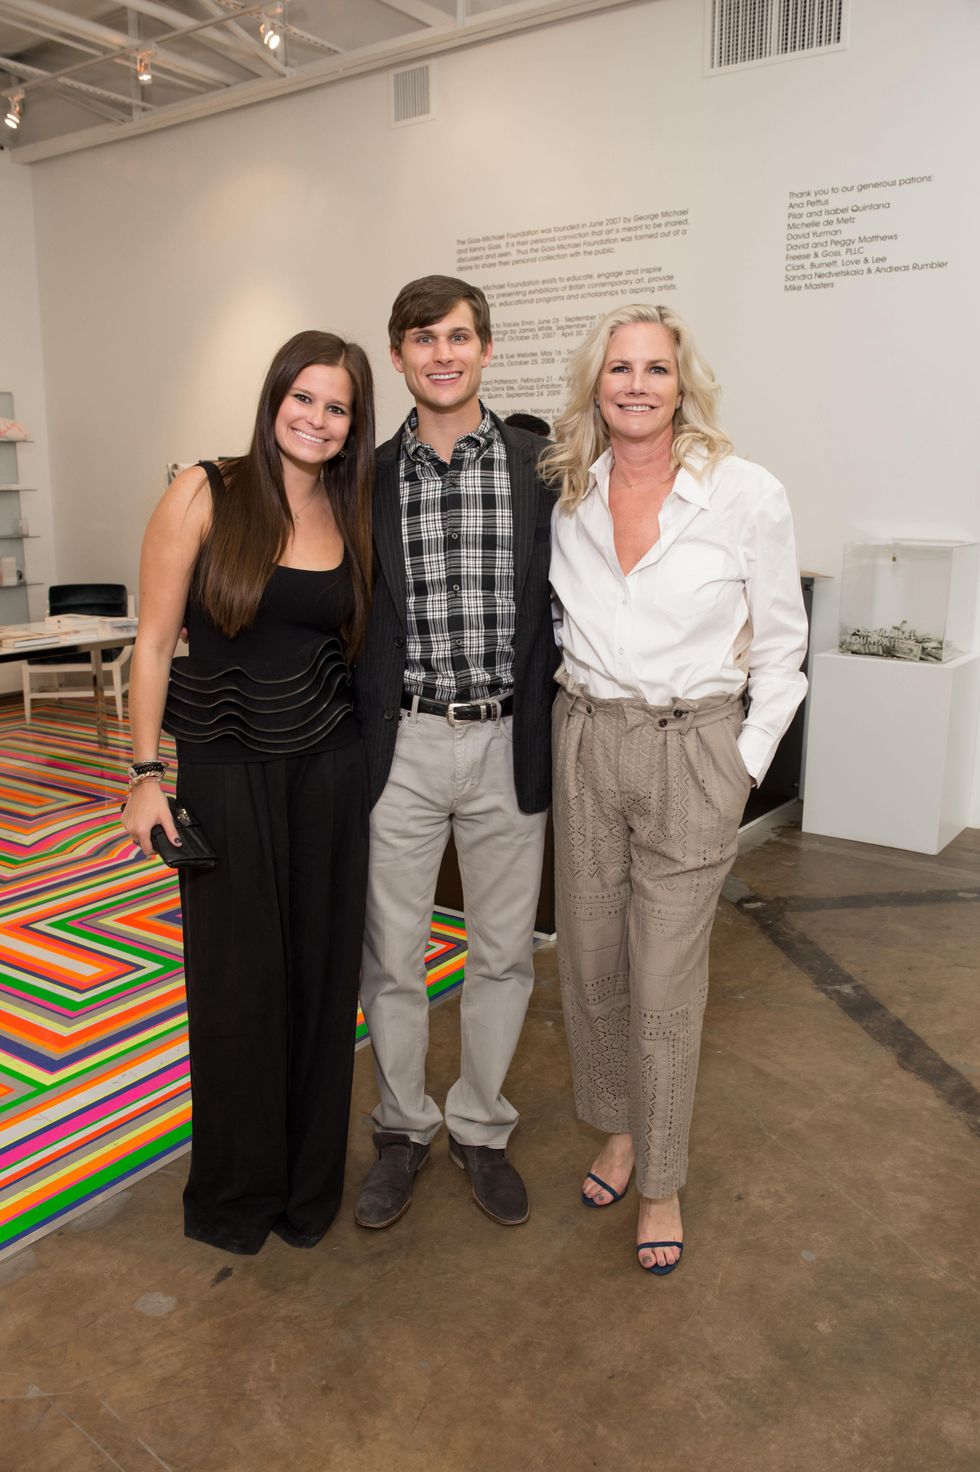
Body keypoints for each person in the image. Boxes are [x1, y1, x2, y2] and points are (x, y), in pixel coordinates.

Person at [542, 303, 807, 1274]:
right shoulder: (569, 491)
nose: (638, 384)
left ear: (681, 383)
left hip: (689, 749)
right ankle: (614, 1125)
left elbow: (781, 648)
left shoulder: (743, 494)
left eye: (656, 367)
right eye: (620, 368)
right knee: (593, 964)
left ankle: (658, 1179)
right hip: (585, 742)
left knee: (661, 984)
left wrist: (740, 763)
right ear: (595, 384)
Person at [122, 330, 375, 1255]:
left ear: (353, 426)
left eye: (336, 406)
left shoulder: (352, 508)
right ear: (275, 400)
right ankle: (236, 1196)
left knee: (320, 982)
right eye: (303, 397)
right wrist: (147, 775)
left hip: (331, 771)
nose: (316, 418)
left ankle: (308, 1195)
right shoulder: (204, 490)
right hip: (225, 775)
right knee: (237, 988)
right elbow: (152, 642)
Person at [354, 274, 557, 1230]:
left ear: (487, 348)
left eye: (460, 336)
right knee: (392, 955)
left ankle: (480, 1126)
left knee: (503, 953)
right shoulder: (362, 475)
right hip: (400, 742)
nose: (443, 353)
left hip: (509, 737)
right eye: (423, 338)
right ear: (397, 354)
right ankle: (403, 1126)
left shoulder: (541, 462)